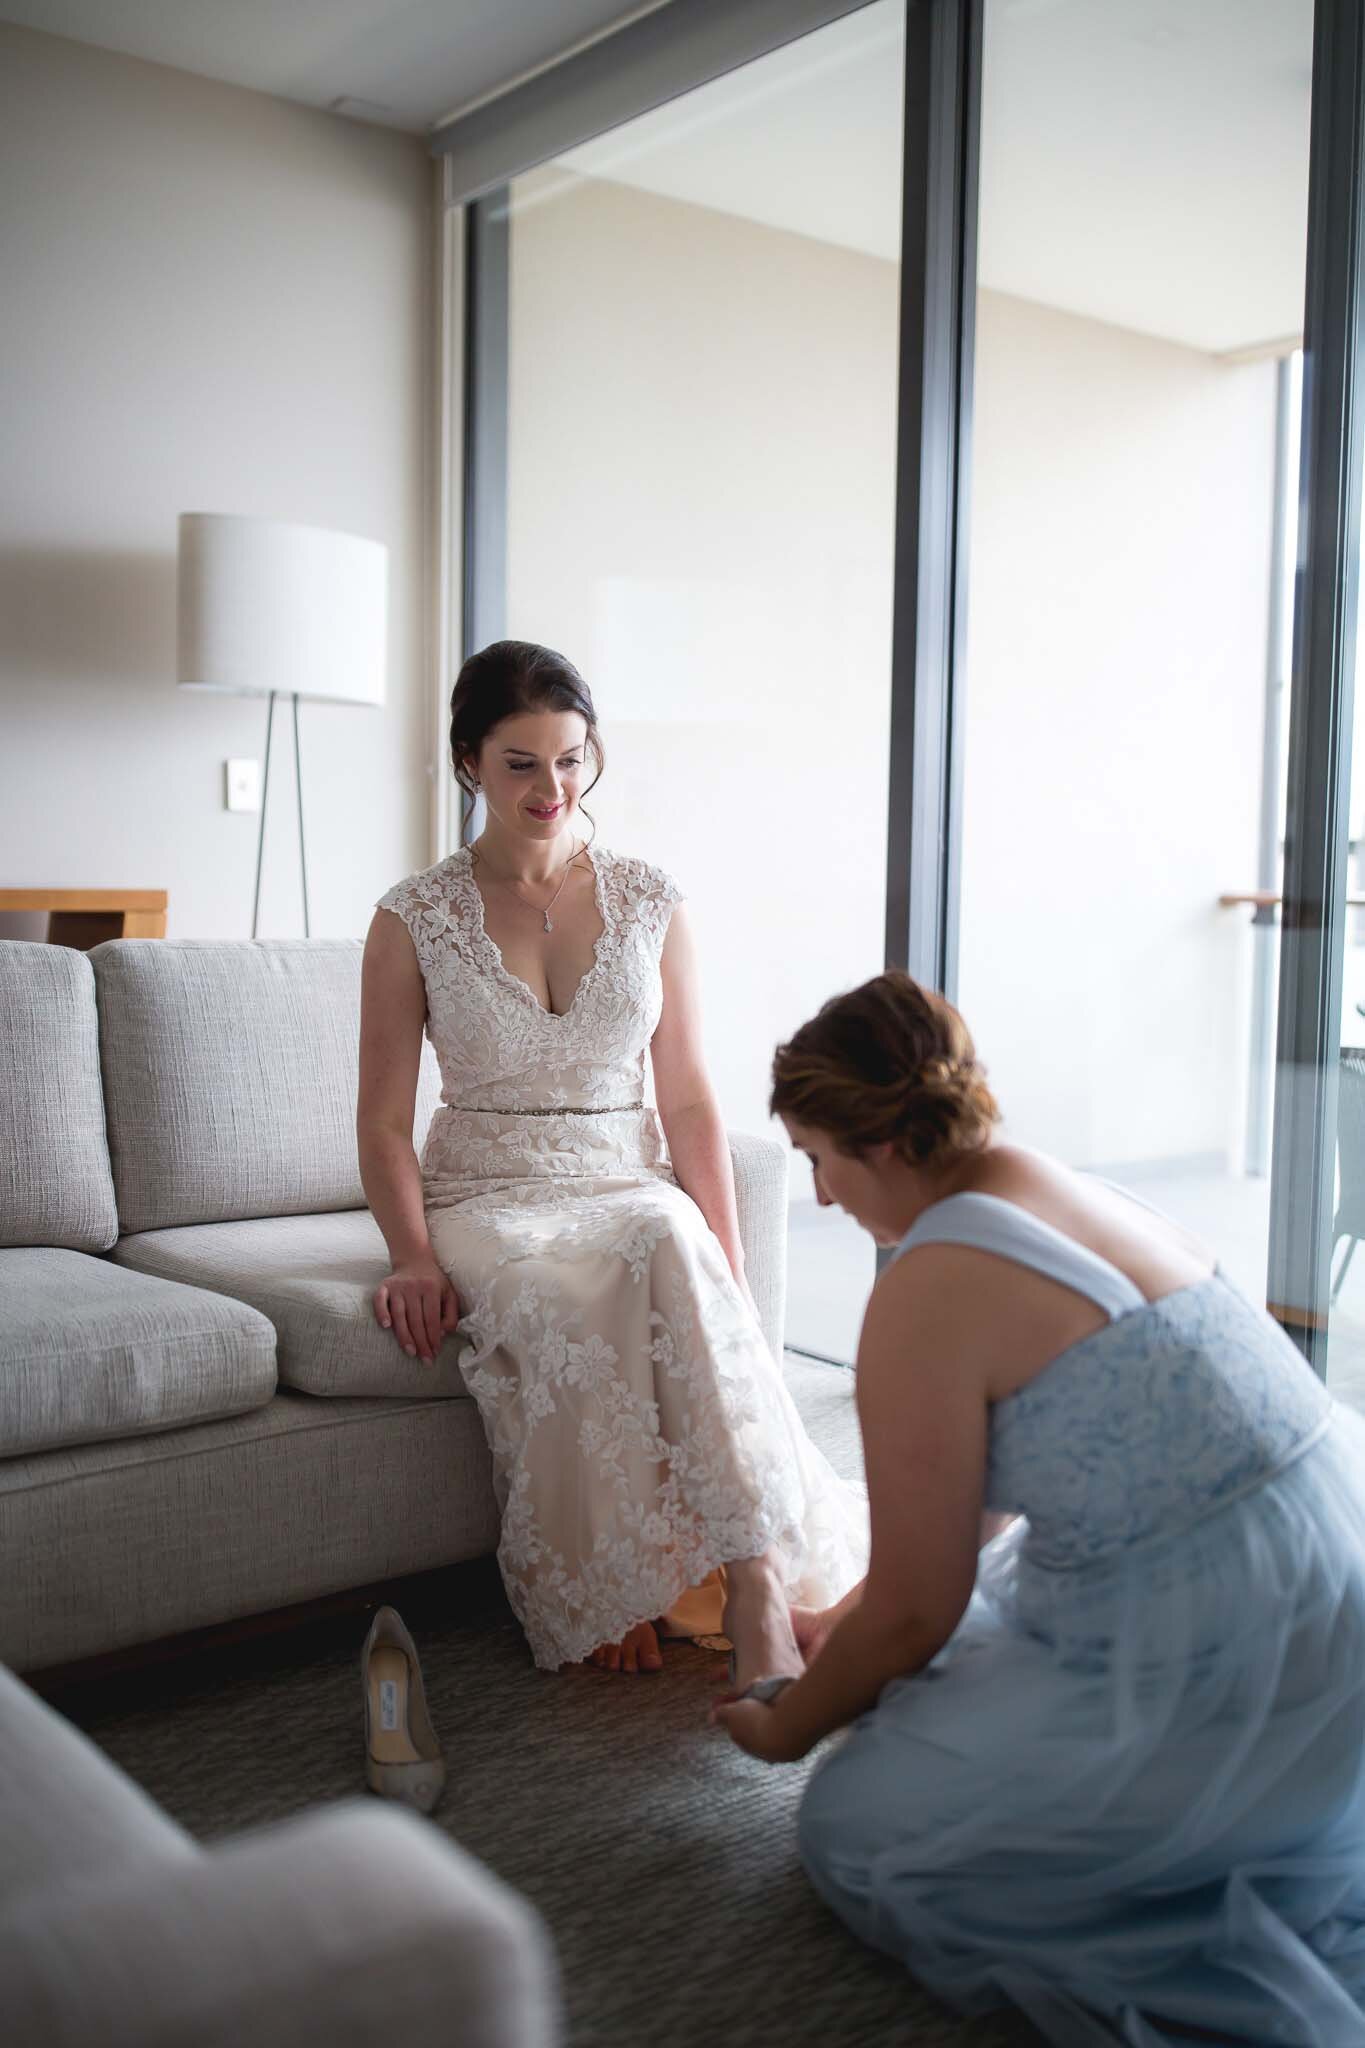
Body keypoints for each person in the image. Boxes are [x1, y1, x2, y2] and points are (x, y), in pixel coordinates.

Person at [714, 968, 1365, 2046]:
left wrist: (783, 1728)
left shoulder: (928, 1287)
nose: (820, 1196)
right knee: (925, 1677)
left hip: (1231, 1642)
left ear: (884, 1143)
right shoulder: (1074, 1189)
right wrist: (848, 1617)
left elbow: (920, 1611)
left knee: (859, 1823)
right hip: (1327, 1576)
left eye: (817, 1158)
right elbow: (984, 1497)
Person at [359, 640, 866, 1681]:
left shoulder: (649, 898)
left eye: (571, 758)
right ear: (467, 761)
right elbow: (380, 1121)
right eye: (521, 763)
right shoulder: (412, 918)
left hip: (621, 1172)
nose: (552, 788)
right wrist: (411, 1253)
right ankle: (626, 1577)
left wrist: (727, 1249)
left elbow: (687, 1095)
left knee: (666, 1237)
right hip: (488, 1191)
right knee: (575, 1287)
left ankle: (752, 1578)